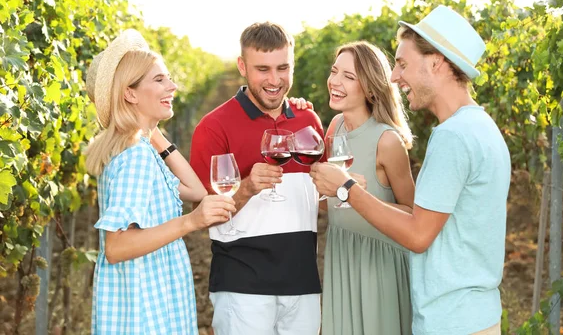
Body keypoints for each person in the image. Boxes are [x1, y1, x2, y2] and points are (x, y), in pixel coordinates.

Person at [309, 5, 511, 335]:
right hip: (475, 314)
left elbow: (418, 235)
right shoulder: (481, 126)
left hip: (451, 321)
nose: (393, 76)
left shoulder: (453, 137)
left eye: (403, 63)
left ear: (437, 63)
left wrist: (347, 189)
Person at [85, 29, 236, 335]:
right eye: (159, 80)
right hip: (145, 310)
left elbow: (194, 189)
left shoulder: (143, 151)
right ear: (130, 93)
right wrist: (191, 222)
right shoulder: (135, 159)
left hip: (148, 296)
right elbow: (116, 246)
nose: (173, 86)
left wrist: (151, 131)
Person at [189, 22, 324, 335]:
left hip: (303, 283)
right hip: (242, 287)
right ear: (242, 67)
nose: (274, 80)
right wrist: (247, 188)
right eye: (262, 69)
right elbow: (202, 217)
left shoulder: (308, 120)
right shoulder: (213, 127)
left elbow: (321, 196)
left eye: (283, 68)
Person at [320, 41, 415, 335]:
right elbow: (329, 198)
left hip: (379, 264)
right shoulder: (334, 128)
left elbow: (414, 215)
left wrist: (360, 197)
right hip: (341, 253)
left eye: (349, 77)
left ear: (371, 89)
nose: (335, 81)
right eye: (335, 72)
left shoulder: (387, 141)